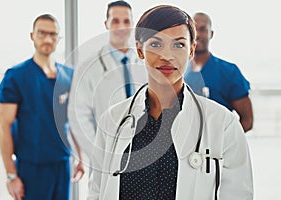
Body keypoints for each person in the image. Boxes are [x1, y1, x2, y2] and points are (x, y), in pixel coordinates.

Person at [88, 5, 253, 200]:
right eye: (156, 44)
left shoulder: (223, 124)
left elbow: (238, 194)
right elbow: (96, 192)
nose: (167, 56)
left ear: (191, 50)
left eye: (179, 45)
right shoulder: (112, 120)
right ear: (140, 49)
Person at [0, 14, 84, 200]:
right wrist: (11, 175)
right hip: (31, 168)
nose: (47, 39)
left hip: (62, 164)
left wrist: (80, 157)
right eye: (42, 33)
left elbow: (73, 121)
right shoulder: (16, 76)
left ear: (58, 38)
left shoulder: (68, 75)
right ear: (32, 35)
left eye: (53, 34)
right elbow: (3, 126)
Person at [68, 1, 146, 158]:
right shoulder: (88, 67)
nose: (121, 26)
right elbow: (79, 116)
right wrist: (100, 154)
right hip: (106, 156)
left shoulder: (146, 64)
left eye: (126, 21)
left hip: (142, 154)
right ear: (106, 24)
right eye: (115, 21)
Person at [184, 12, 253, 132]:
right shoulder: (178, 71)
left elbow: (247, 121)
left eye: (203, 29)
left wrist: (224, 142)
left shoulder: (229, 72)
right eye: (194, 30)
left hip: (218, 148)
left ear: (211, 34)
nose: (198, 35)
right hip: (184, 147)